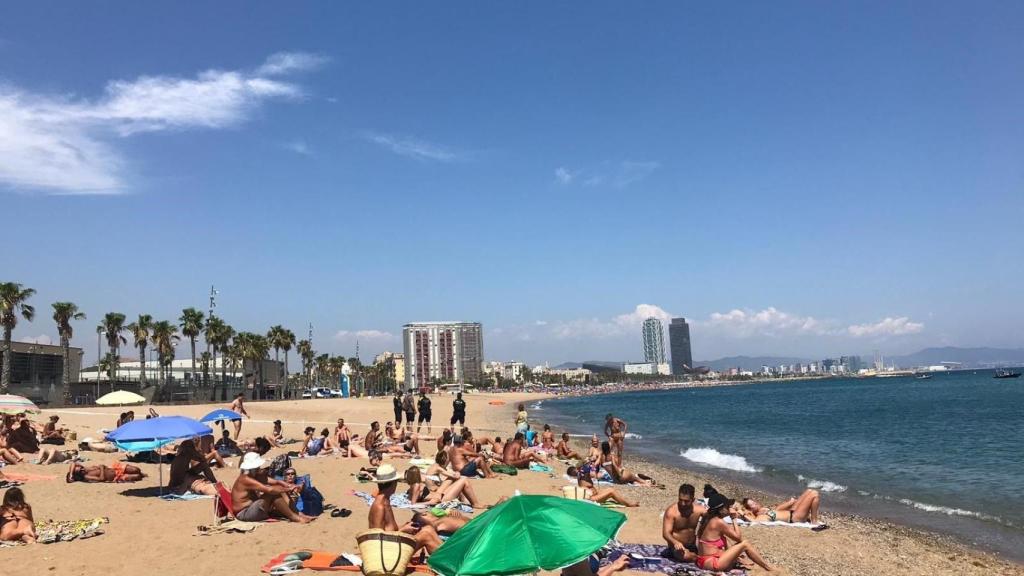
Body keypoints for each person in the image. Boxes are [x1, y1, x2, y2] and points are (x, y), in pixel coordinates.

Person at [368, 464, 440, 555]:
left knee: (427, 528)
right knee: (426, 534)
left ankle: (447, 555)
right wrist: (403, 530)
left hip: (392, 543)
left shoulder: (385, 501)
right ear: (393, 483)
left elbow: (390, 529)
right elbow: (378, 539)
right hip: (386, 552)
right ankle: (447, 558)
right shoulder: (379, 506)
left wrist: (406, 526)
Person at [695, 493, 775, 572]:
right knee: (745, 544)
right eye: (727, 507)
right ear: (721, 509)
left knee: (726, 539)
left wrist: (736, 555)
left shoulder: (709, 519)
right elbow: (738, 538)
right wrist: (734, 519)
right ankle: (769, 569)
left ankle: (743, 561)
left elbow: (728, 544)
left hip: (703, 562)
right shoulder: (718, 522)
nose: (729, 508)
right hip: (713, 563)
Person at [231, 452, 314, 523]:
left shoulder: (252, 475)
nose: (259, 468)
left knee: (279, 488)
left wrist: (287, 485)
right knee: (273, 493)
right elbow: (269, 490)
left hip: (252, 509)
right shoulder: (245, 479)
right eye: (257, 467)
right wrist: (288, 489)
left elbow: (274, 481)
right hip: (244, 514)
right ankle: (294, 517)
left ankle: (299, 514)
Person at [663, 484, 706, 562]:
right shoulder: (672, 511)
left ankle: (699, 557)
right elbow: (666, 533)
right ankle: (701, 559)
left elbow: (713, 517)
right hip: (676, 547)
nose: (683, 503)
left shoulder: (699, 510)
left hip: (692, 546)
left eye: (686, 501)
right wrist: (675, 542)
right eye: (680, 500)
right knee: (686, 556)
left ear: (693, 500)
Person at [404, 466, 481, 508]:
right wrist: (429, 502)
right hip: (442, 498)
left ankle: (464, 499)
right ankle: (475, 504)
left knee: (454, 478)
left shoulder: (413, 485)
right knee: (464, 480)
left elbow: (413, 498)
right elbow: (413, 504)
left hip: (439, 494)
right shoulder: (416, 485)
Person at [566, 463, 638, 507]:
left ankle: (626, 502)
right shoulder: (581, 473)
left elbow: (590, 467)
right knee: (611, 491)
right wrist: (597, 460)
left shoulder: (580, 476)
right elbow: (588, 467)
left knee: (609, 489)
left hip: (594, 495)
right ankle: (629, 504)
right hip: (591, 499)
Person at [740, 489, 821, 524]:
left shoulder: (763, 510)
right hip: (794, 518)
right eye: (752, 504)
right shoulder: (760, 517)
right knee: (814, 494)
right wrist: (743, 514)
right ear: (750, 509)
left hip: (792, 511)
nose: (755, 503)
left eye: (754, 502)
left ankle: (810, 517)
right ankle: (814, 522)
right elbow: (754, 522)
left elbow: (778, 509)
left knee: (809, 491)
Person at [66, 461, 146, 483]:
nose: (82, 469)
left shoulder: (85, 468)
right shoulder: (86, 476)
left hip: (114, 468)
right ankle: (141, 475)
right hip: (116, 477)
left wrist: (71, 474)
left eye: (80, 468)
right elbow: (101, 479)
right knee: (138, 476)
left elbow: (73, 463)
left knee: (136, 470)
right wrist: (101, 468)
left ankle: (142, 474)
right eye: (80, 471)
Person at [561, 555, 629, 576]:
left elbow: (595, 571)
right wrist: (613, 567)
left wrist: (613, 565)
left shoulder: (587, 549)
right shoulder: (577, 555)